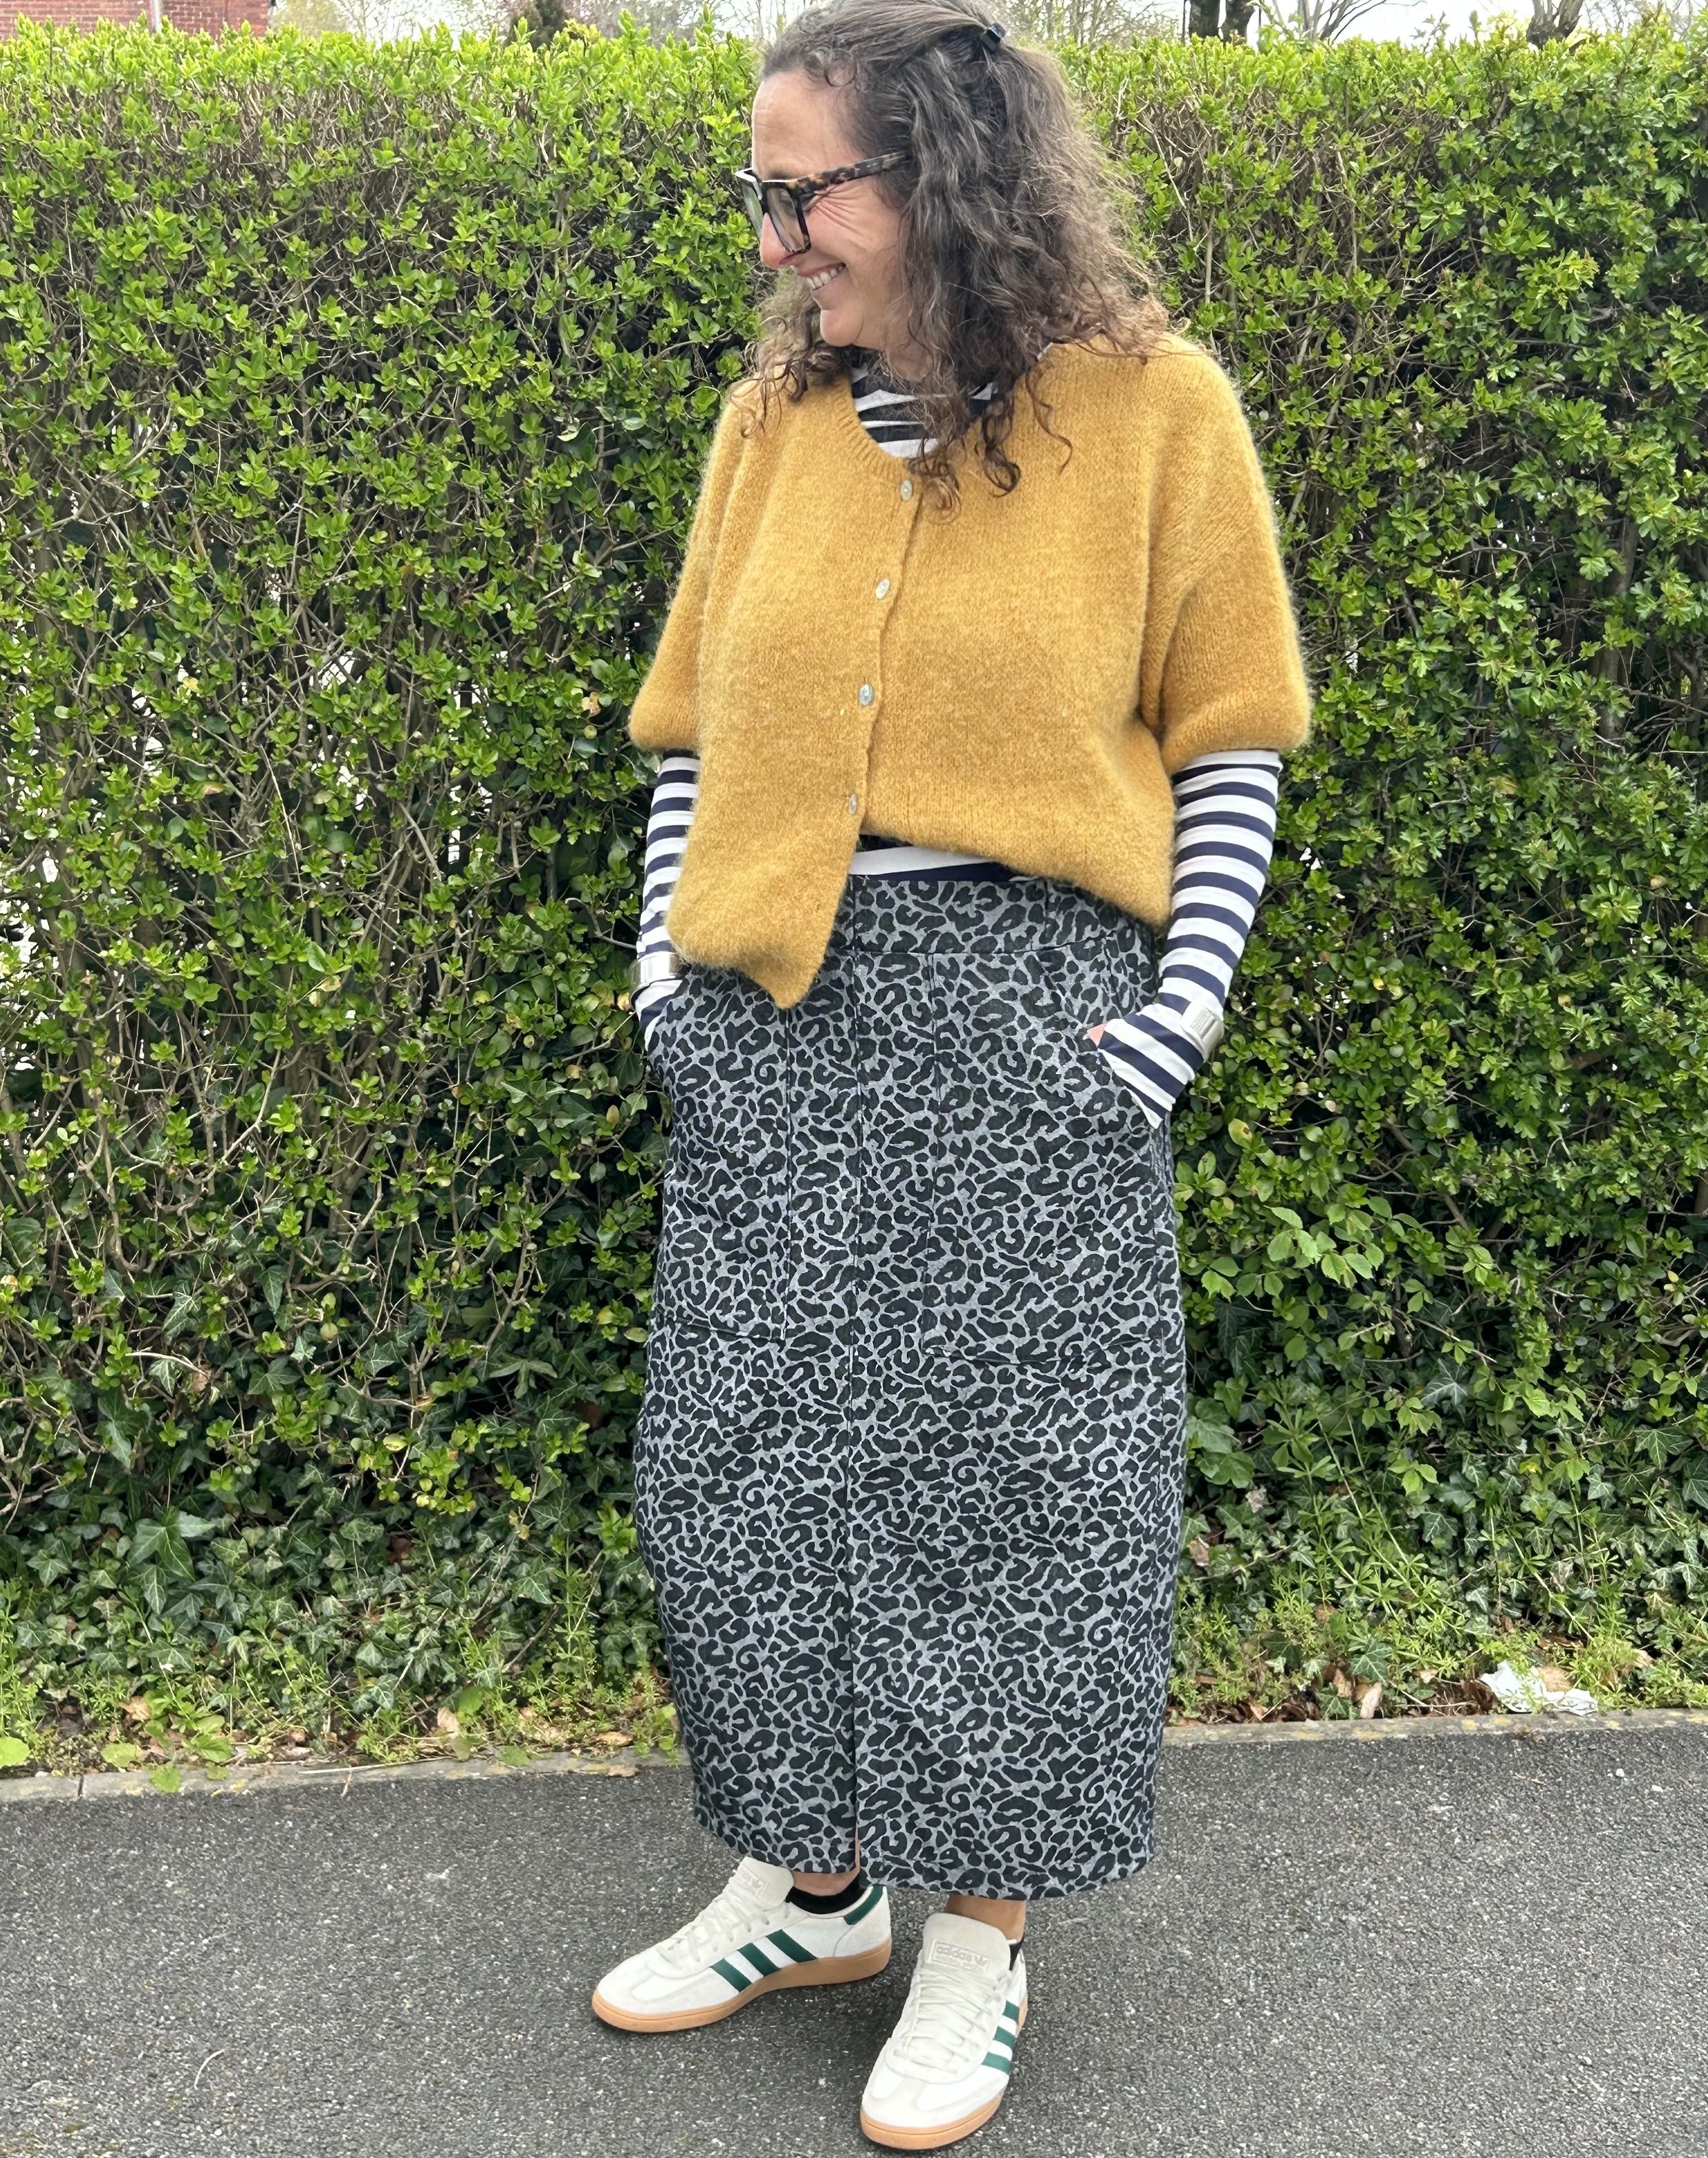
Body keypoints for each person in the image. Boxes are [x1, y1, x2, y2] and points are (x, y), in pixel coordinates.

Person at [595, 1, 1311, 2146]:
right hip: (774, 1018)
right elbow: (690, 734)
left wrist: (1176, 1019)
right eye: (760, 192)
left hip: (1028, 1022)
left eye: (802, 189)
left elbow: (1234, 739)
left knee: (1011, 1491)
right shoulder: (771, 426)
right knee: (740, 1474)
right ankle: (813, 1888)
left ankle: (980, 1935)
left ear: (941, 175)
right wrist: (663, 985)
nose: (774, 234)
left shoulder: (1158, 413)